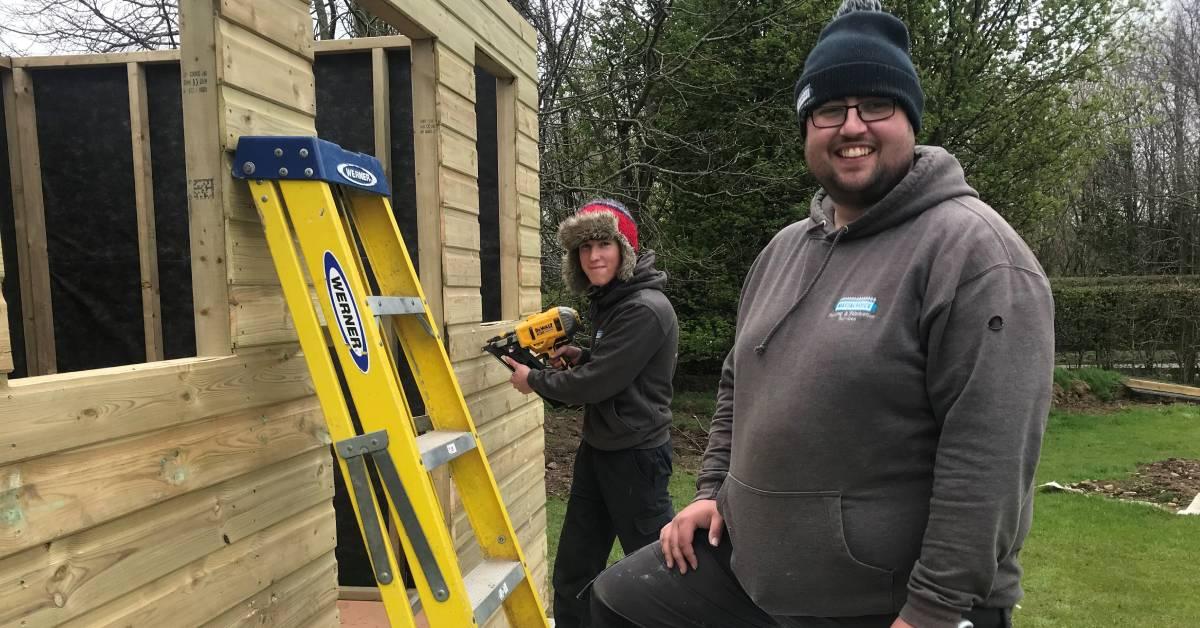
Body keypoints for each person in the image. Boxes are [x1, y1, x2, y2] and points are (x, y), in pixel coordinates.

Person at [586, 1, 1055, 627]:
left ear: (910, 119)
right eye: (829, 110)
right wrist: (710, 494)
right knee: (619, 602)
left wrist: (933, 611)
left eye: (875, 106)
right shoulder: (785, 249)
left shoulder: (975, 256)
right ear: (808, 127)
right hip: (758, 570)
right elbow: (736, 383)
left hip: (882, 599)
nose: (851, 126)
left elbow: (989, 461)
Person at [504, 198, 679, 628]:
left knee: (662, 573)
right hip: (599, 452)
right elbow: (611, 367)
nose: (594, 256)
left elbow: (601, 383)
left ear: (625, 250)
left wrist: (536, 380)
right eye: (584, 248)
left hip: (636, 459)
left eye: (604, 244)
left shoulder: (644, 308)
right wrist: (582, 355)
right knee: (574, 573)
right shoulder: (613, 302)